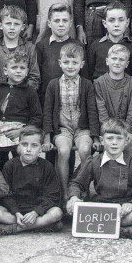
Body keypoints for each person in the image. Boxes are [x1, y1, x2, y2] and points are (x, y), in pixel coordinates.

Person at [66, 118, 132, 240]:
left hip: (123, 209)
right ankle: (121, 229)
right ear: (102, 141)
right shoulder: (93, 161)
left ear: (126, 141)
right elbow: (76, 183)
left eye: (119, 139)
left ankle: (104, 228)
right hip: (101, 207)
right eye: (110, 138)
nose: (114, 143)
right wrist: (73, 197)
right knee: (75, 209)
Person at [43, 43, 100, 199]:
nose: (70, 66)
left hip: (82, 129)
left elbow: (92, 112)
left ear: (81, 64)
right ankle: (64, 192)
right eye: (66, 62)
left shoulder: (87, 84)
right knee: (63, 151)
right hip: (63, 128)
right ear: (60, 63)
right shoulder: (53, 84)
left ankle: (83, 189)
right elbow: (47, 112)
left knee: (84, 150)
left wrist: (95, 137)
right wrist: (47, 137)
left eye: (74, 63)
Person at [0, 126, 63, 235]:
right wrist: (16, 212)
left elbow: (52, 195)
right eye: (24, 144)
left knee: (57, 213)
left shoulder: (47, 166)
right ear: (18, 146)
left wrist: (36, 212)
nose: (28, 149)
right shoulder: (10, 165)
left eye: (34, 145)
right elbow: (4, 193)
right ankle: (42, 226)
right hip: (15, 211)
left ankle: (12, 229)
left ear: (41, 148)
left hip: (37, 210)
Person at [0, 52, 42, 170]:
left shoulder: (30, 91)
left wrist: (22, 131)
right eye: (14, 67)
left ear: (27, 71)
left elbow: (37, 117)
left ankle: (18, 180)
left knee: (21, 154)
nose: (18, 71)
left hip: (17, 130)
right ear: (5, 70)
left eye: (22, 68)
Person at [0, 6, 40, 89]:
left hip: (23, 98)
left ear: (23, 27)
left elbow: (34, 78)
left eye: (16, 24)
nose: (12, 28)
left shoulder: (30, 49)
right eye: (8, 23)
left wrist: (20, 94)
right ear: (0, 25)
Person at [36, 2, 84, 101]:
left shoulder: (78, 46)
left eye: (65, 20)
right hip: (48, 101)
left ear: (70, 23)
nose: (61, 24)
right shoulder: (41, 46)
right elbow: (37, 77)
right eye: (57, 21)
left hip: (73, 100)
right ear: (49, 23)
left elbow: (84, 78)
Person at [93, 44, 132, 130]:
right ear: (107, 61)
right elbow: (101, 112)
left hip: (127, 129)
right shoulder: (99, 83)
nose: (117, 62)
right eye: (114, 58)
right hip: (106, 129)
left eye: (121, 60)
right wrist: (109, 129)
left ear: (127, 64)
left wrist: (127, 129)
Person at [85, 1, 132, 80]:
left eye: (121, 20)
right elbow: (89, 74)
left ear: (127, 22)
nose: (116, 24)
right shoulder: (95, 46)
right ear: (104, 23)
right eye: (111, 20)